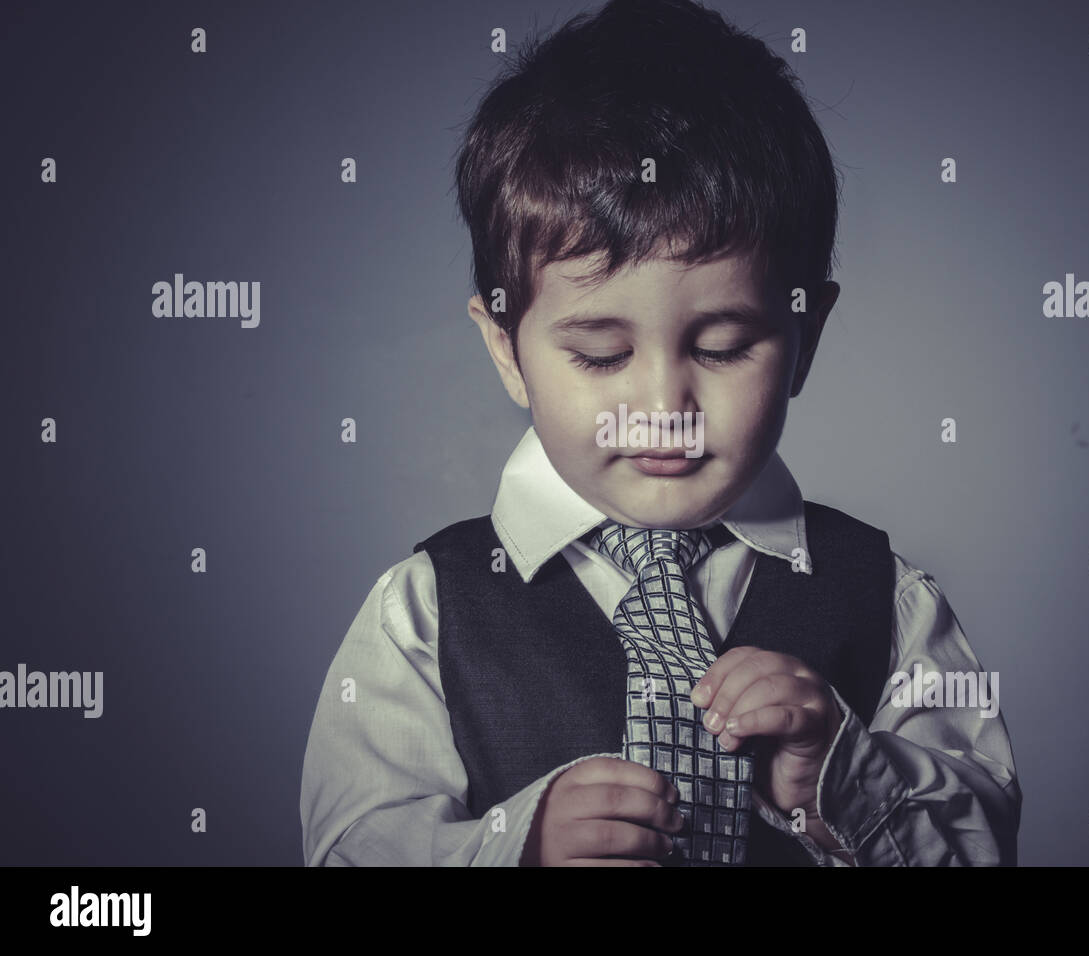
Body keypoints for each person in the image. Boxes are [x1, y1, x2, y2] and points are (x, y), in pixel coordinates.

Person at [300, 0, 1020, 866]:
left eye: (721, 348)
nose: (660, 406)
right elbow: (350, 847)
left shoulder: (890, 603)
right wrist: (511, 848)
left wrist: (841, 773)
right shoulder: (423, 614)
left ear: (805, 338)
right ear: (506, 350)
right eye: (601, 355)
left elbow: (983, 847)